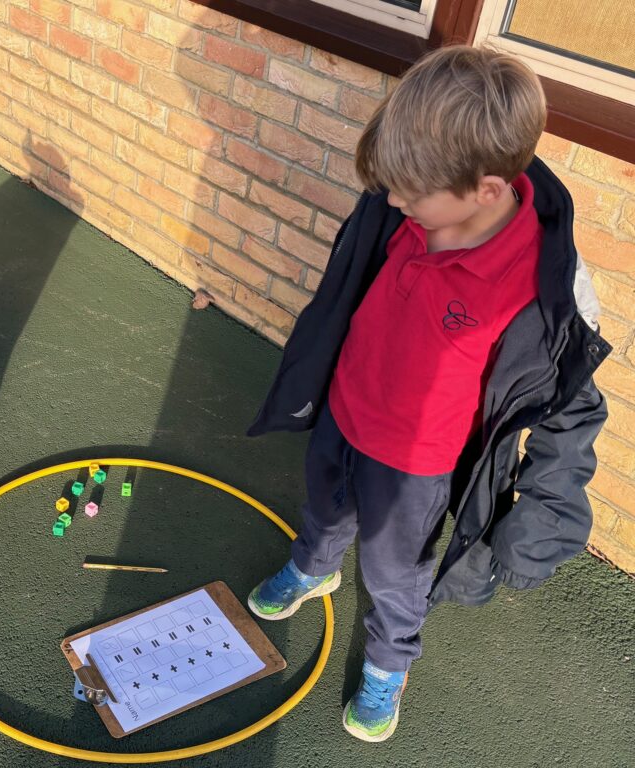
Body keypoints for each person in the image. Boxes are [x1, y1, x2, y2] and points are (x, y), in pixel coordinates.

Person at [246, 46, 610, 741]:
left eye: (411, 195)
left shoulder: (542, 293)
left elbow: (571, 413)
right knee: (323, 509)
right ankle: (313, 567)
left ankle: (389, 661)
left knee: (394, 572)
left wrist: (544, 521)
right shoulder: (406, 206)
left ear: (488, 191)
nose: (393, 202)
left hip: (417, 467)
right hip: (347, 413)